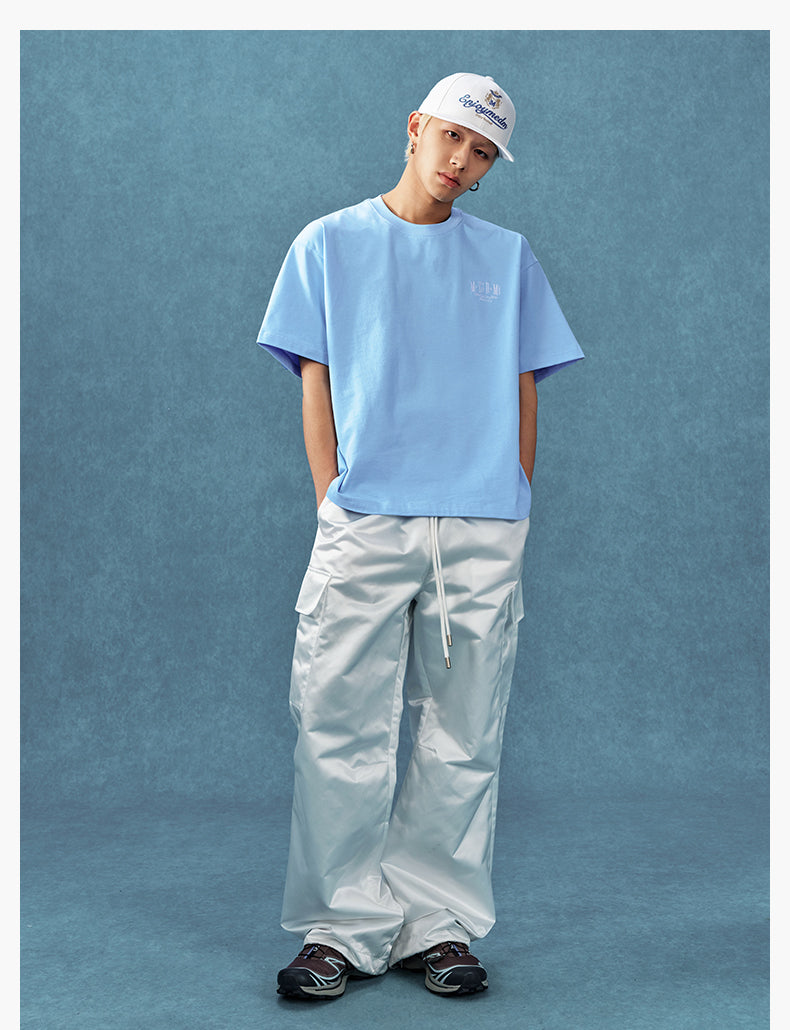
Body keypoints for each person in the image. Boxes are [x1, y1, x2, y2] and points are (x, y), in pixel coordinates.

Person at [257, 72, 583, 999]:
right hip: (367, 517)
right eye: (452, 137)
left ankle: (435, 922)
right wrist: (333, 499)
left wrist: (514, 496)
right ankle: (342, 927)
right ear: (415, 126)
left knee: (463, 731)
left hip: (481, 523)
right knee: (338, 722)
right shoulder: (329, 243)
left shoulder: (506, 257)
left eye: (482, 154)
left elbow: (523, 383)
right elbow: (316, 382)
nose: (461, 161)